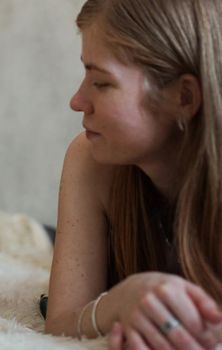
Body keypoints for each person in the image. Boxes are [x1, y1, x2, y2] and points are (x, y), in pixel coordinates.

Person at [44, 0, 222, 348]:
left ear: (184, 96)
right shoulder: (91, 160)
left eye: (102, 82)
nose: (77, 101)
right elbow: (61, 321)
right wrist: (119, 301)